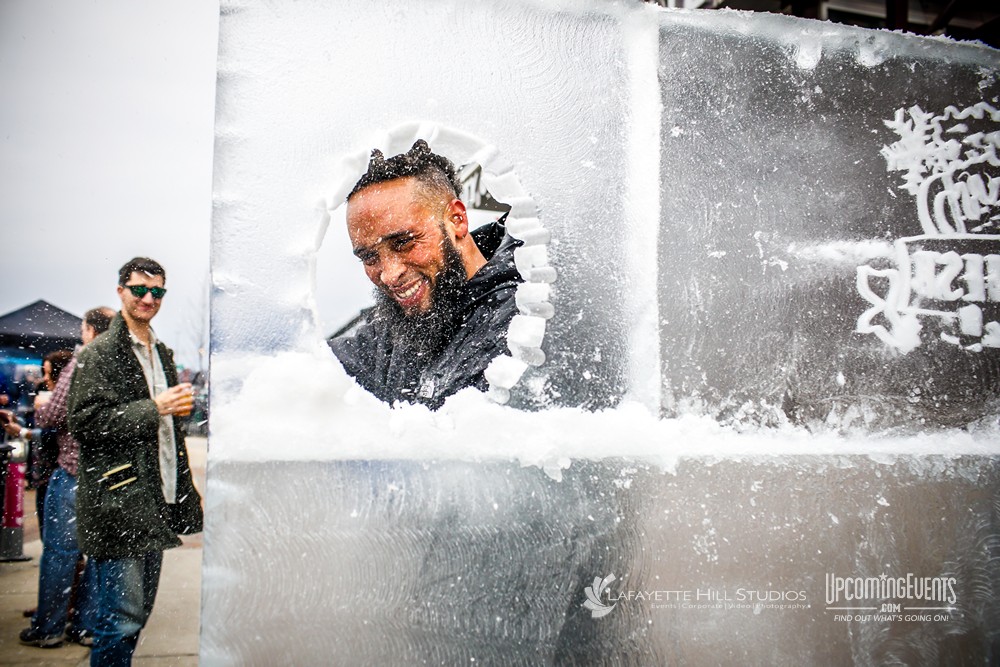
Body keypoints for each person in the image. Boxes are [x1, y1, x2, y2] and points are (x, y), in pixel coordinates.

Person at [67, 257, 203, 666]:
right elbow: (85, 423)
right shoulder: (99, 354)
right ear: (120, 291)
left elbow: (160, 425)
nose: (148, 298)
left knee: (138, 617)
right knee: (120, 622)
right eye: (139, 289)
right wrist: (155, 406)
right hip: (119, 502)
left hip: (154, 502)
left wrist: (174, 413)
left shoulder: (161, 351)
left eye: (157, 291)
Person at [328, 140, 522, 409]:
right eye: (370, 257)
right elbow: (306, 376)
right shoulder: (387, 339)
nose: (389, 275)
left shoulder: (528, 314)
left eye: (404, 243)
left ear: (457, 220)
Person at [18, 308, 114, 649]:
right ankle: (85, 625)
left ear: (88, 330)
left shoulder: (83, 360)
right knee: (98, 556)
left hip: (74, 471)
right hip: (108, 476)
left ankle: (49, 628)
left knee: (61, 553)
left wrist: (41, 407)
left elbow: (55, 415)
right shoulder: (122, 361)